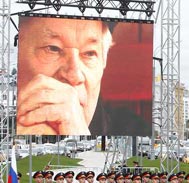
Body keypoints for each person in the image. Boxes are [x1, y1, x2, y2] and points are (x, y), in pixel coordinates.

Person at [16, 17, 150, 136]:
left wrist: (80, 137)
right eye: (53, 48)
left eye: (90, 53)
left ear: (104, 63)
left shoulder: (137, 132)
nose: (74, 75)